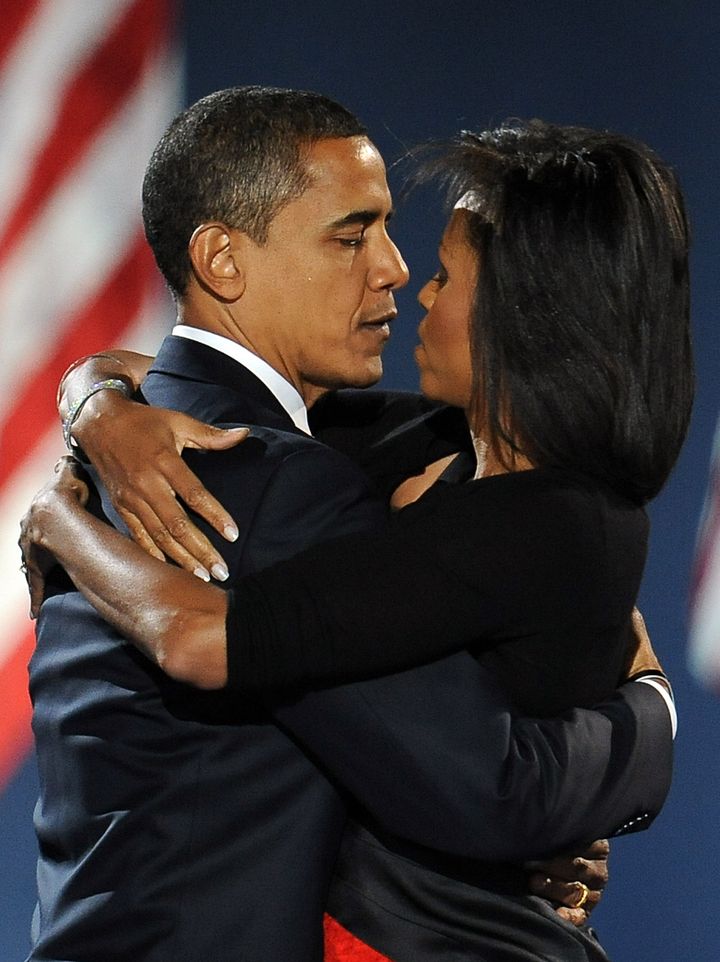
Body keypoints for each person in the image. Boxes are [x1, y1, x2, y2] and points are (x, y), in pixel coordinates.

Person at [20, 96, 685, 962]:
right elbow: (489, 791)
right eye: (350, 236)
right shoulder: (276, 482)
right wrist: (653, 714)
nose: (398, 271)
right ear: (222, 258)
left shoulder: (147, 449)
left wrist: (91, 403)